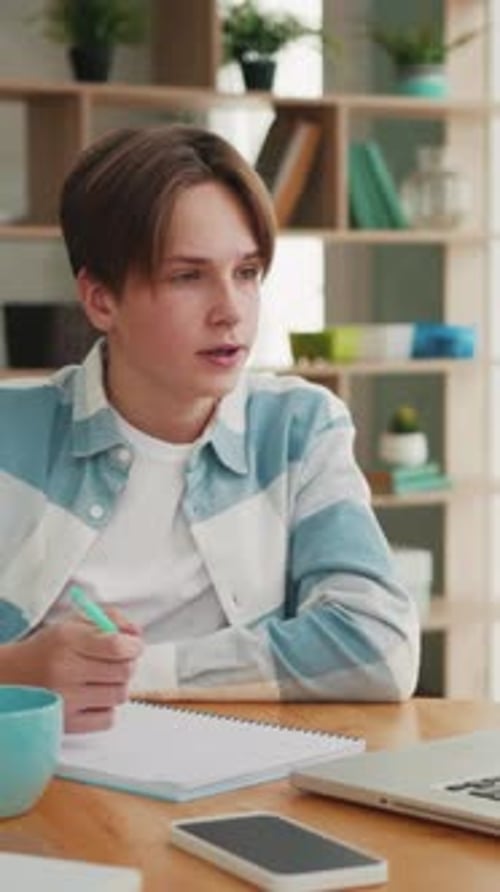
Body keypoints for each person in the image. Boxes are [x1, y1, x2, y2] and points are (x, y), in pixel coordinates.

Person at [0, 125, 419, 732]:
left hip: (243, 783)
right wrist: (19, 669)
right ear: (100, 300)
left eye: (246, 272)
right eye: (187, 276)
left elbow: (379, 645)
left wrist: (136, 676)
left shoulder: (298, 430)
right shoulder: (12, 436)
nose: (231, 310)